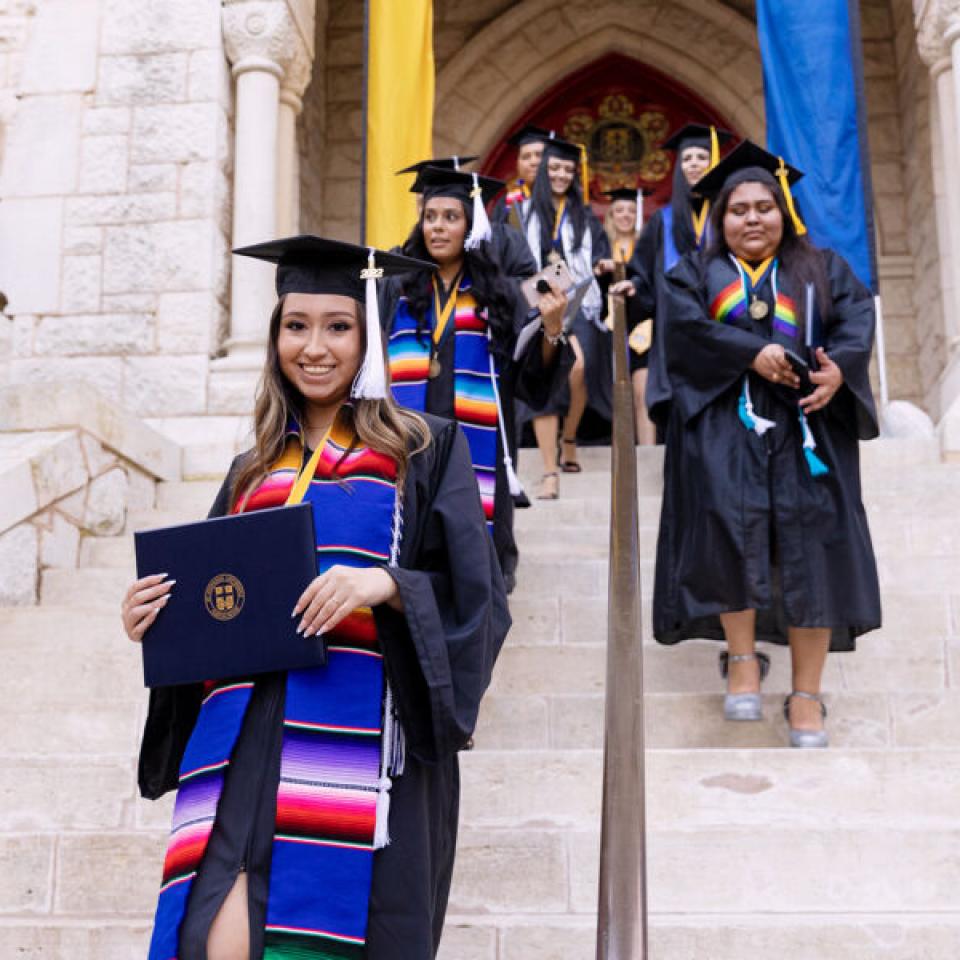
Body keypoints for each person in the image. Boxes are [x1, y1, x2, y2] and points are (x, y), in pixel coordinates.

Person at [124, 236, 510, 959]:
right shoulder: (253, 468)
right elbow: (215, 601)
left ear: (366, 337)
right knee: (213, 934)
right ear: (274, 340)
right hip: (242, 735)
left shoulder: (423, 451)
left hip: (357, 747)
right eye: (296, 326)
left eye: (338, 326)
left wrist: (388, 585)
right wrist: (152, 615)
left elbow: (478, 597)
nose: (315, 347)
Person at [652, 141, 881, 749]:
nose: (752, 219)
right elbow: (684, 331)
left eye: (764, 207)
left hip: (809, 429)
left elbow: (857, 321)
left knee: (817, 555)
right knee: (730, 534)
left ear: (785, 213)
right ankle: (743, 659)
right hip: (726, 427)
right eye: (738, 209)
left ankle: (807, 693)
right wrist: (749, 352)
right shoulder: (693, 275)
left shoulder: (824, 269)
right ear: (718, 219)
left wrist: (842, 371)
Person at [382, 166, 571, 592]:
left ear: (470, 225)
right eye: (430, 216)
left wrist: (553, 328)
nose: (438, 226)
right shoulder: (399, 286)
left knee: (474, 564)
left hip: (475, 443)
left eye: (451, 216)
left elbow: (530, 372)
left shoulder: (499, 294)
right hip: (411, 438)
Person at [614, 123, 734, 432]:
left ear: (714, 162)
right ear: (679, 167)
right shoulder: (662, 220)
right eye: (687, 158)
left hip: (724, 320)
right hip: (675, 329)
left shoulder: (729, 215)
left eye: (701, 156)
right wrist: (634, 287)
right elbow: (643, 274)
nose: (694, 163)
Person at [522, 135, 610, 498]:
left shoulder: (585, 216)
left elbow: (600, 254)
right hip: (537, 305)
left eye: (567, 170)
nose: (560, 175)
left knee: (577, 370)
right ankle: (548, 470)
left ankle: (569, 436)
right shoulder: (521, 212)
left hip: (580, 303)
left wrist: (604, 263)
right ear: (544, 170)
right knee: (546, 378)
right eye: (554, 168)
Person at [598, 186, 656, 445]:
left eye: (631, 211)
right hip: (608, 332)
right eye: (619, 210)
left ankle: (648, 451)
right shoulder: (599, 247)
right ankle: (620, 455)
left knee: (643, 392)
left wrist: (624, 268)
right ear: (610, 215)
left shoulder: (645, 248)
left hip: (643, 331)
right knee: (615, 395)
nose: (626, 215)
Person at [490, 124, 552, 231]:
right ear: (518, 165)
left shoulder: (567, 200)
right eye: (526, 157)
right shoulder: (507, 204)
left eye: (539, 155)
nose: (533, 162)